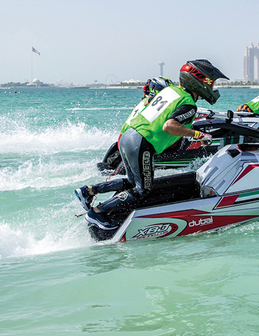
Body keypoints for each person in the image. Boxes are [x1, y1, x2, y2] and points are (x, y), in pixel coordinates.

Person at [75, 60, 228, 231]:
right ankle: (98, 212)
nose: (212, 88)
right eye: (211, 83)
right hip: (142, 142)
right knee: (143, 190)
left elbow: (150, 105)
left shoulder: (171, 91)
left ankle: (89, 191)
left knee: (132, 182)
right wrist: (199, 135)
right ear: (200, 81)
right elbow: (169, 125)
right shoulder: (189, 105)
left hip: (128, 136)